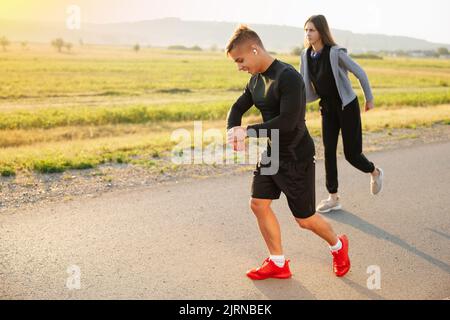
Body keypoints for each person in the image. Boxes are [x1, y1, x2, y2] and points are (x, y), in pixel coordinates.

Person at [226, 24, 350, 280]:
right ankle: (278, 262)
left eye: (240, 60)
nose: (239, 66)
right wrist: (232, 132)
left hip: (296, 156)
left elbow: (288, 123)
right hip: (272, 154)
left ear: (254, 49)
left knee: (304, 219)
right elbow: (237, 108)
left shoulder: (287, 77)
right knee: (259, 204)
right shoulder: (255, 81)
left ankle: (338, 246)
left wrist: (247, 132)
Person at [300, 15, 384, 214]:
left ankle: (375, 171)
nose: (308, 34)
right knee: (328, 152)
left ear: (321, 31)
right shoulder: (305, 55)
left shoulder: (335, 53)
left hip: (347, 106)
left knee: (352, 154)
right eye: (306, 30)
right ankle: (333, 197)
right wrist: (297, 109)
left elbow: (360, 72)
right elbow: (302, 85)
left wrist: (368, 99)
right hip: (327, 108)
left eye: (311, 30)